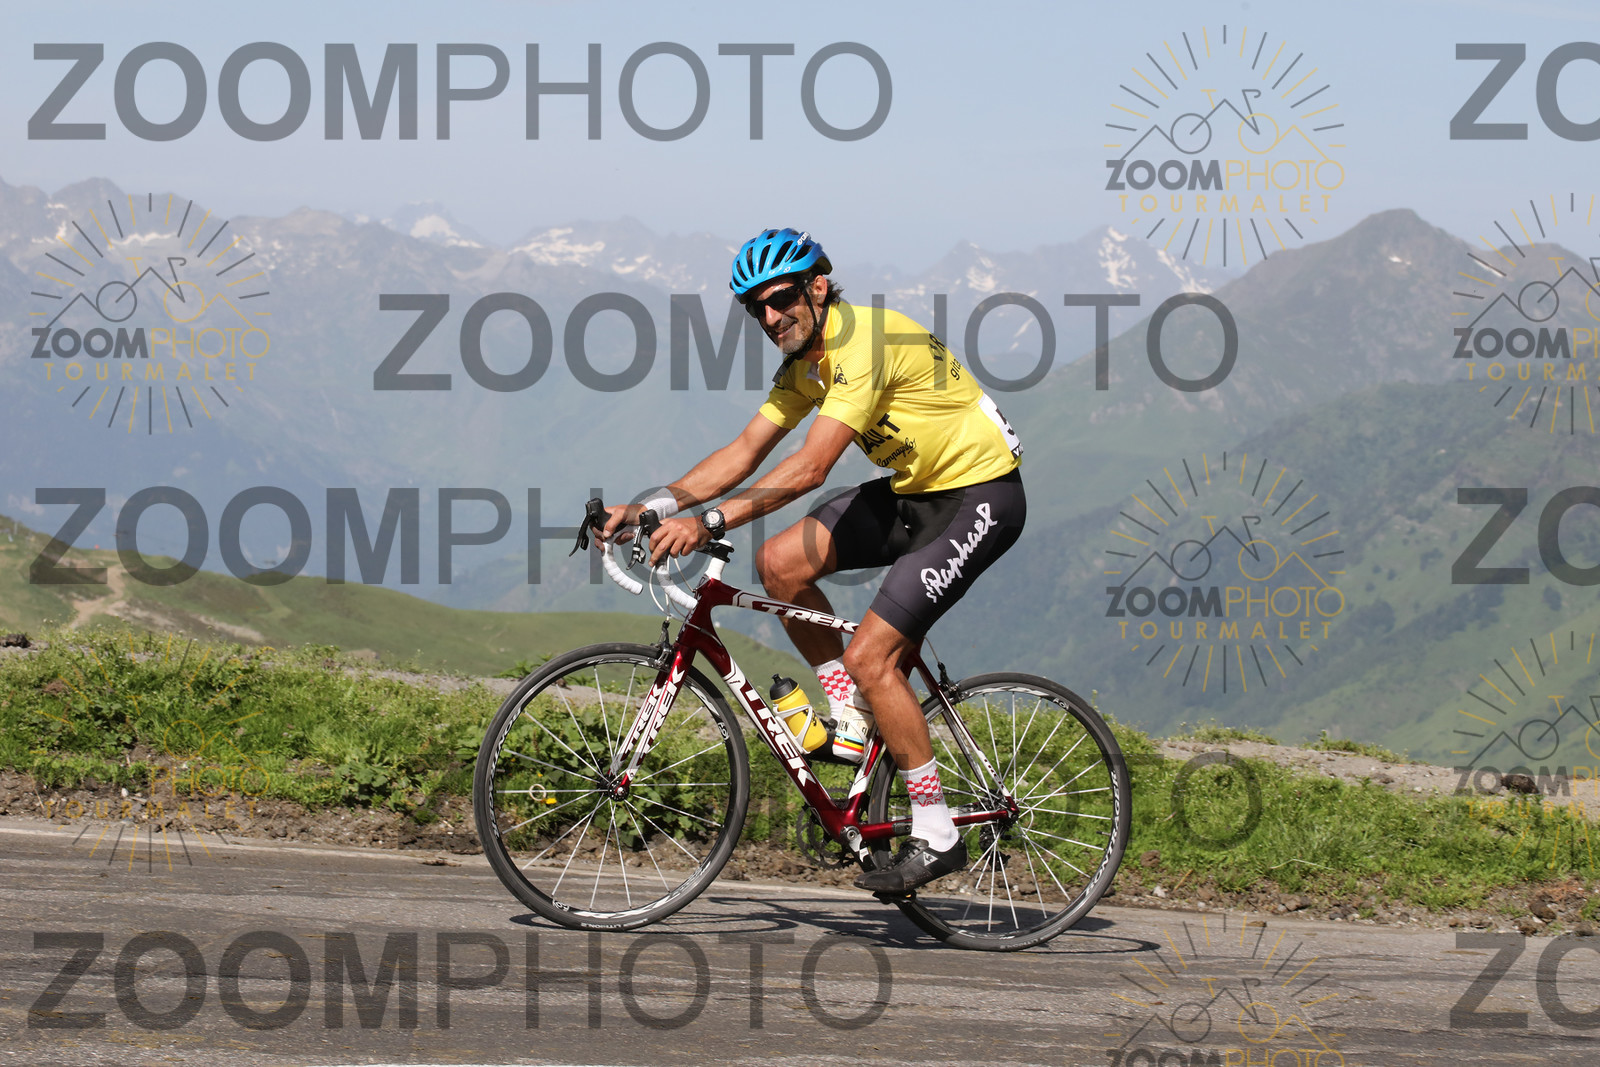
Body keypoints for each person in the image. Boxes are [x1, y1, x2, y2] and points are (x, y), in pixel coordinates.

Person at [599, 228, 1026, 893]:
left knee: (872, 657)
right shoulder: (806, 364)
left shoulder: (864, 343)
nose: (771, 317)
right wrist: (649, 506)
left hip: (979, 497)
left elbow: (809, 469)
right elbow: (743, 453)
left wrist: (707, 523)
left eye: (781, 299)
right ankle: (852, 718)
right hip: (914, 492)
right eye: (757, 309)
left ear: (817, 287)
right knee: (780, 563)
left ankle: (937, 830)